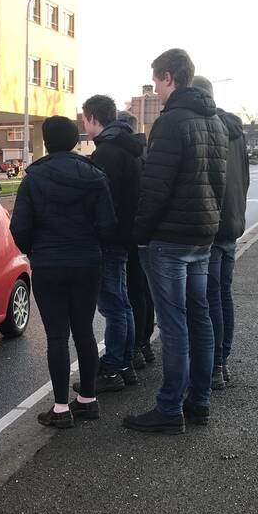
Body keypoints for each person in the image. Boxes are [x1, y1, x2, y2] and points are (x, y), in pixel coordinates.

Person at [124, 48, 227, 434]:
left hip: (169, 238)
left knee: (174, 325)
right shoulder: (214, 122)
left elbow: (155, 188)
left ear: (168, 77)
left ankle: (169, 408)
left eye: (155, 81)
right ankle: (198, 402)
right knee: (200, 317)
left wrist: (139, 235)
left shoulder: (171, 123)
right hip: (203, 235)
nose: (155, 90)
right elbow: (219, 184)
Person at [10, 116, 116, 429]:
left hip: (48, 263)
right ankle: (88, 399)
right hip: (86, 261)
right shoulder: (95, 176)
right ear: (73, 140)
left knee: (57, 335)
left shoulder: (34, 178)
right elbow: (108, 224)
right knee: (84, 329)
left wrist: (33, 250)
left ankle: (59, 408)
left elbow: (20, 227)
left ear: (46, 140)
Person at [78, 95, 144, 393]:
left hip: (109, 238)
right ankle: (126, 362)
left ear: (93, 118)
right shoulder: (131, 147)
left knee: (113, 305)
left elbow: (100, 201)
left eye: (84, 118)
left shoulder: (106, 153)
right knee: (123, 302)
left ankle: (113, 366)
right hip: (128, 234)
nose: (83, 124)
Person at [191, 76, 250, 389]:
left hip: (211, 227)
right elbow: (245, 179)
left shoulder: (208, 127)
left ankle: (213, 365)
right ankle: (222, 360)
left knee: (208, 299)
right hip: (232, 225)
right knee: (223, 295)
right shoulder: (237, 132)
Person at [117, 112, 157, 369]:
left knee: (132, 293)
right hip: (148, 233)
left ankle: (134, 348)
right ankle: (144, 343)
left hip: (130, 232)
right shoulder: (147, 154)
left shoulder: (123, 155)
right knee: (144, 290)